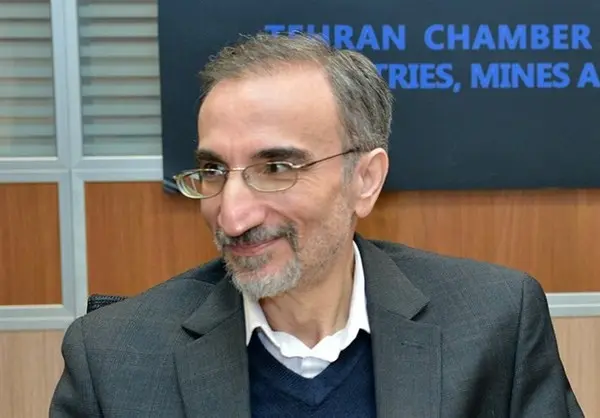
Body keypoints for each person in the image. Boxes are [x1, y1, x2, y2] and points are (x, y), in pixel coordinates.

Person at [50, 32, 584, 417]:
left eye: (276, 169)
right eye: (213, 171)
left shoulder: (494, 323)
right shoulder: (113, 359)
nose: (232, 216)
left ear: (365, 181)